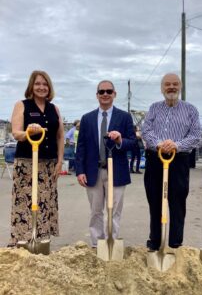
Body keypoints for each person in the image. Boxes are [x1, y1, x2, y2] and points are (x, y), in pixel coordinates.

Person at [142, 73, 201, 251]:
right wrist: (160, 143)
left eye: (175, 84)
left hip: (179, 160)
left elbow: (195, 135)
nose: (171, 87)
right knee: (154, 200)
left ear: (180, 86)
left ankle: (175, 242)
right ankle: (155, 240)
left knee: (177, 202)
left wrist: (176, 144)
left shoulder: (190, 109)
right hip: (155, 159)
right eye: (167, 84)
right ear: (162, 88)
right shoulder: (154, 108)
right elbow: (146, 130)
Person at [76, 80, 136, 248]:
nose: (105, 94)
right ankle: (96, 244)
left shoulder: (124, 117)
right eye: (101, 92)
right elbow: (81, 147)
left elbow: (132, 143)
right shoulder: (87, 119)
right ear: (97, 95)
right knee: (95, 211)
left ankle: (111, 244)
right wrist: (80, 170)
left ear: (114, 94)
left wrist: (120, 140)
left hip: (116, 172)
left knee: (114, 211)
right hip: (93, 172)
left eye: (109, 91)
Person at [8, 70, 64, 247]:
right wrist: (28, 132)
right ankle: (22, 240)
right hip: (26, 163)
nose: (41, 87)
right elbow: (16, 132)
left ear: (49, 87)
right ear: (31, 86)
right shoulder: (22, 105)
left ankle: (41, 240)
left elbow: (60, 136)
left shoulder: (54, 109)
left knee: (45, 203)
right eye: (38, 83)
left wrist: (60, 161)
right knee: (25, 202)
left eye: (45, 84)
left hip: (49, 164)